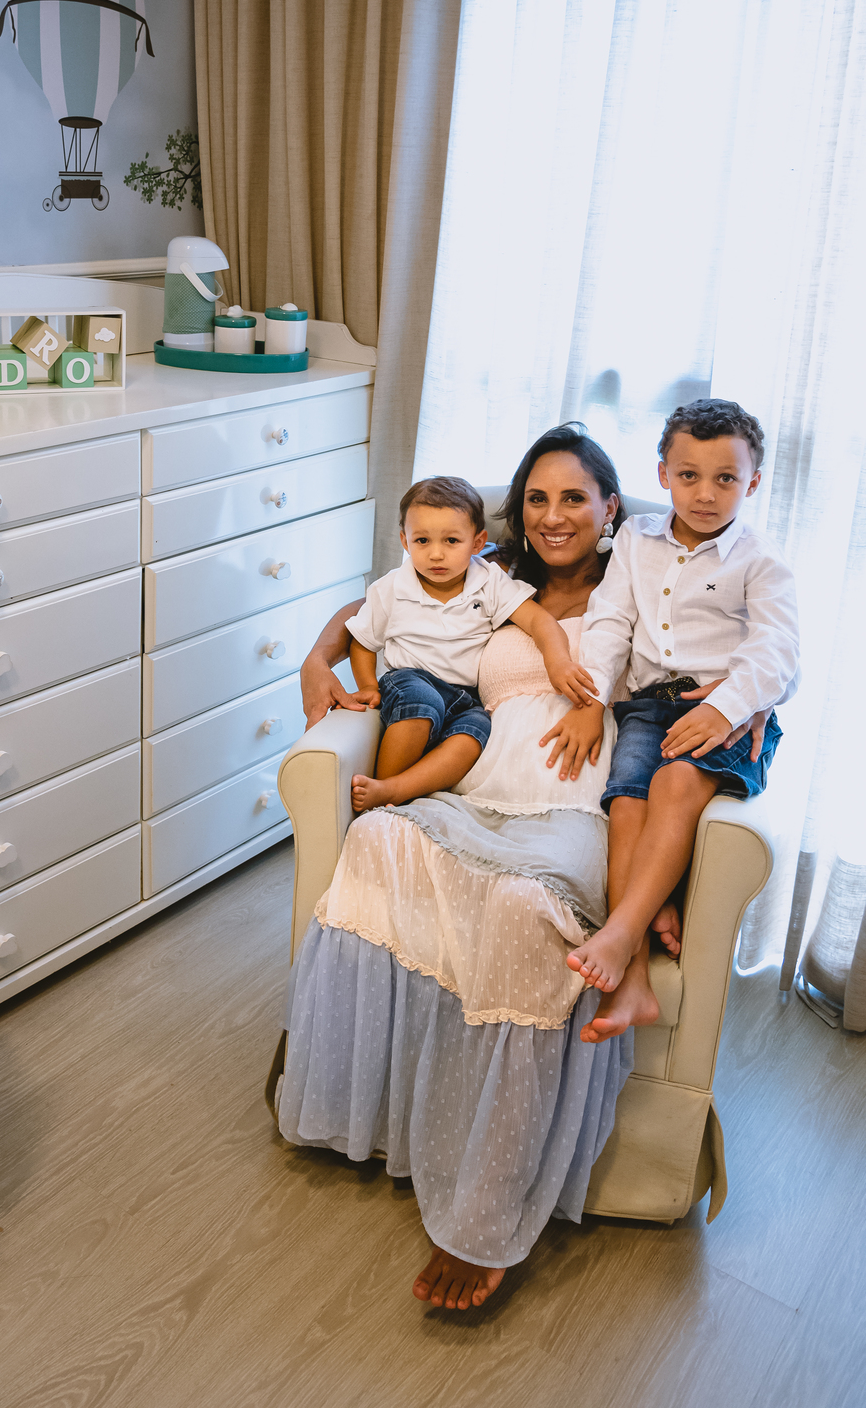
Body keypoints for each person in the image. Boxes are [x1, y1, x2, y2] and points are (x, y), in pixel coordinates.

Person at [279, 425, 634, 1312]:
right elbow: (376, 603)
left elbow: (721, 662)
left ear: (610, 508)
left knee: (521, 910)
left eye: (575, 498)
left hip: (573, 804)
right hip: (476, 784)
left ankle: (483, 1213)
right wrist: (317, 658)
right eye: (537, 498)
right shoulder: (490, 573)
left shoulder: (641, 584)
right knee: (378, 842)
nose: (554, 516)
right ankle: (363, 1113)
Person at [549, 400, 799, 1044]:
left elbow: (778, 652)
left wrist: (726, 705)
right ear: (663, 474)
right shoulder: (635, 540)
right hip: (645, 704)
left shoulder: (760, 559)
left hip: (722, 711)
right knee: (626, 803)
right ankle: (633, 981)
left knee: (673, 783)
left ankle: (620, 934)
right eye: (689, 475)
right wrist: (592, 700)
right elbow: (610, 622)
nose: (705, 493)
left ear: (753, 482)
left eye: (726, 478)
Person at [345, 474, 599, 815]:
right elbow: (362, 641)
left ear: (477, 542)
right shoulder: (390, 588)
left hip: (466, 696)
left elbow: (539, 621)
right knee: (422, 704)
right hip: (410, 679)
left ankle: (399, 790)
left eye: (452, 540)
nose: (436, 554)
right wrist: (367, 686)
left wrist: (558, 661)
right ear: (405, 541)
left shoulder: (488, 581)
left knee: (476, 731)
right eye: (422, 540)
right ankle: (381, 796)